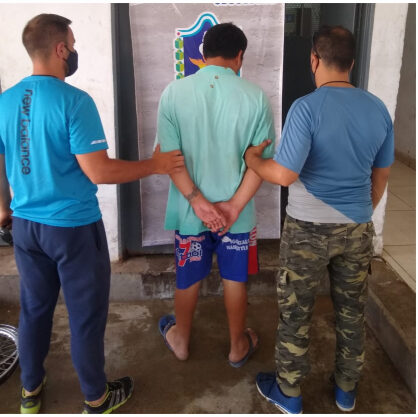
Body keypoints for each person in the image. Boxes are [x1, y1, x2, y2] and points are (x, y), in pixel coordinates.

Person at [0, 13, 184, 414]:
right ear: (60, 49)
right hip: (72, 229)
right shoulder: (74, 101)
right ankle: (97, 398)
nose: (75, 51)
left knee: (34, 309)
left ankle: (29, 392)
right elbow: (98, 171)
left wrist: (3, 210)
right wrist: (154, 165)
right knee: (85, 316)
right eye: (72, 44)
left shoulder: (5, 101)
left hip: (26, 227)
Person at [245, 25, 393, 414]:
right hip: (357, 228)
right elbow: (381, 174)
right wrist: (360, 211)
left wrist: (252, 159)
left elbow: (284, 174)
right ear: (352, 62)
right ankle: (346, 391)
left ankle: (290, 393)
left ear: (314, 58)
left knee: (296, 312)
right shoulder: (377, 108)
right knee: (352, 311)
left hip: (307, 230)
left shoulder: (306, 108)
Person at [156, 23, 275, 367]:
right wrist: (233, 206)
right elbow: (261, 163)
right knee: (235, 278)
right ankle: (237, 346)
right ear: (240, 56)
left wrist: (198, 202)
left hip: (189, 210)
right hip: (237, 214)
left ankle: (180, 340)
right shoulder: (256, 97)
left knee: (188, 276)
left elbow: (169, 159)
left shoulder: (173, 94)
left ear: (203, 54)